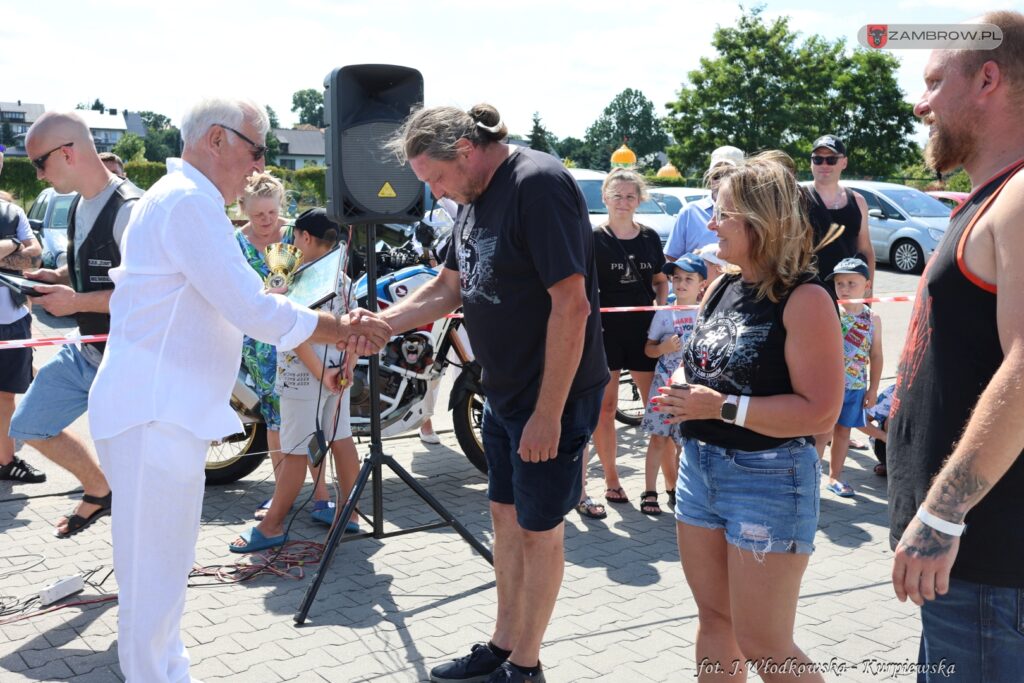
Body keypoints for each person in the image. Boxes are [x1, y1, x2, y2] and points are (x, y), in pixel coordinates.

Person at [85, 97, 391, 683]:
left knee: (163, 570)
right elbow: (251, 308)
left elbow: (250, 303)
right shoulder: (188, 204)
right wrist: (342, 327)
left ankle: (166, 672)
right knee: (154, 573)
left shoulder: (183, 200)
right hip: (154, 411)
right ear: (216, 140)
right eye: (256, 149)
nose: (258, 166)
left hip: (160, 410)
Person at [382, 104, 607, 683]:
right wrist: (382, 324)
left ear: (464, 149)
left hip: (549, 399)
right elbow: (448, 287)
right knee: (505, 518)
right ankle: (504, 645)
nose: (434, 194)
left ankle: (526, 666)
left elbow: (572, 305)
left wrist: (548, 415)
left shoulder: (538, 184)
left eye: (434, 178)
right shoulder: (475, 196)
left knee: (539, 531)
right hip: (503, 393)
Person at [655, 152, 843, 683]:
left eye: (723, 214)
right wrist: (681, 389)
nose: (710, 224)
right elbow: (710, 369)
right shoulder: (721, 285)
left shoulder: (804, 298)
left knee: (764, 643)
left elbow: (820, 411)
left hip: (770, 478)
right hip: (700, 470)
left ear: (762, 222)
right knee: (715, 619)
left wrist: (720, 407)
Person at [887, 12, 1024, 680]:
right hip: (968, 577)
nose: (921, 102)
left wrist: (943, 514)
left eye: (936, 80)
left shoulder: (1022, 197)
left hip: (990, 574)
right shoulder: (990, 197)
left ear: (988, 80)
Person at [10, 112, 143, 537]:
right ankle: (100, 488)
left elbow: (149, 296)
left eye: (39, 164)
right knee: (27, 424)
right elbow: (94, 265)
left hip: (128, 362)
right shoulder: (80, 203)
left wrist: (76, 301)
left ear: (67, 152)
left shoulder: (132, 211)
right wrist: (58, 277)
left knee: (139, 478)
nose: (37, 174)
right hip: (86, 349)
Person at [230, 207, 361, 552]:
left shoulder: (295, 279)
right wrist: (347, 367)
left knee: (293, 453)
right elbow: (355, 331)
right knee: (342, 440)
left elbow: (294, 332)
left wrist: (324, 374)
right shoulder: (343, 280)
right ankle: (351, 513)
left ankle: (272, 525)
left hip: (304, 379)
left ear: (305, 238)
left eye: (294, 237)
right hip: (340, 374)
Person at [234, 171, 330, 521]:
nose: (266, 221)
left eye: (272, 213)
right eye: (258, 215)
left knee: (311, 414)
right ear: (242, 207)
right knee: (275, 420)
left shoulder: (298, 233)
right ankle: (282, 496)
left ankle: (321, 495)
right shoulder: (236, 244)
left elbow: (322, 272)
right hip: (261, 344)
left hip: (303, 334)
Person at [586, 167, 667, 511]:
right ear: (605, 197)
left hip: (643, 332)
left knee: (658, 410)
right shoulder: (591, 238)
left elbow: (661, 280)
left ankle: (663, 486)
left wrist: (661, 312)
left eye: (630, 195)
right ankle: (611, 479)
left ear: (640, 200)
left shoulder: (649, 237)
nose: (623, 201)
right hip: (605, 333)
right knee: (604, 409)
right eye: (617, 195)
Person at [638, 253, 704, 515]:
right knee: (657, 440)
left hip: (691, 393)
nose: (681, 284)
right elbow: (649, 350)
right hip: (663, 390)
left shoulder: (706, 313)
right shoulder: (664, 314)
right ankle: (649, 490)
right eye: (676, 278)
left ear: (702, 284)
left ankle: (678, 490)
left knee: (683, 444)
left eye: (689, 278)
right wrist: (664, 346)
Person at [0, 146, 45, 485]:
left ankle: (5, 461)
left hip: (12, 320)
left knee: (6, 395)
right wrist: (14, 247)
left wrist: (12, 248)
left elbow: (35, 258)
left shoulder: (11, 213)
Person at [818, 257, 882, 498]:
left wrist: (873, 389)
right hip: (828, 387)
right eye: (839, 283)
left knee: (843, 432)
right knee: (822, 434)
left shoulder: (872, 318)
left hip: (855, 386)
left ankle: (835, 477)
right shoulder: (831, 312)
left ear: (867, 284)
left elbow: (876, 355)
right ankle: (811, 480)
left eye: (851, 283)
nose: (844, 289)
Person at [804, 134, 875, 283]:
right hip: (807, 291)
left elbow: (865, 250)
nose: (824, 165)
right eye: (818, 159)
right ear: (811, 162)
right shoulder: (797, 198)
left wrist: (868, 291)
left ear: (844, 162)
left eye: (831, 159)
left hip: (846, 293)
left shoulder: (858, 201)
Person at [663, 145, 743, 260]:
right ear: (709, 177)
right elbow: (671, 257)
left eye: (729, 175)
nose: (722, 181)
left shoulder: (752, 214)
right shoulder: (689, 212)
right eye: (717, 176)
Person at [859, 383, 893, 477]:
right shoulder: (893, 393)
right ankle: (889, 463)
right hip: (889, 446)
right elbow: (860, 421)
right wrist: (883, 436)